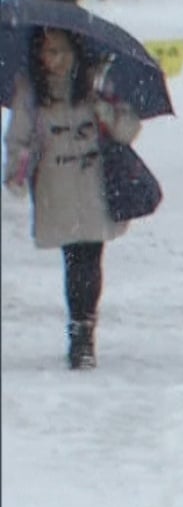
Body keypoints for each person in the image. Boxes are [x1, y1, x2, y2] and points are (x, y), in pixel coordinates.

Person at [4, 27, 142, 369]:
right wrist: (16, 173)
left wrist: (103, 110)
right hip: (57, 185)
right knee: (74, 259)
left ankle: (84, 332)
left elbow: (128, 130)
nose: (57, 60)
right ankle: (78, 329)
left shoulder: (97, 85)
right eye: (49, 52)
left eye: (63, 51)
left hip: (94, 184)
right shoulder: (30, 91)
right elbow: (17, 138)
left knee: (91, 258)